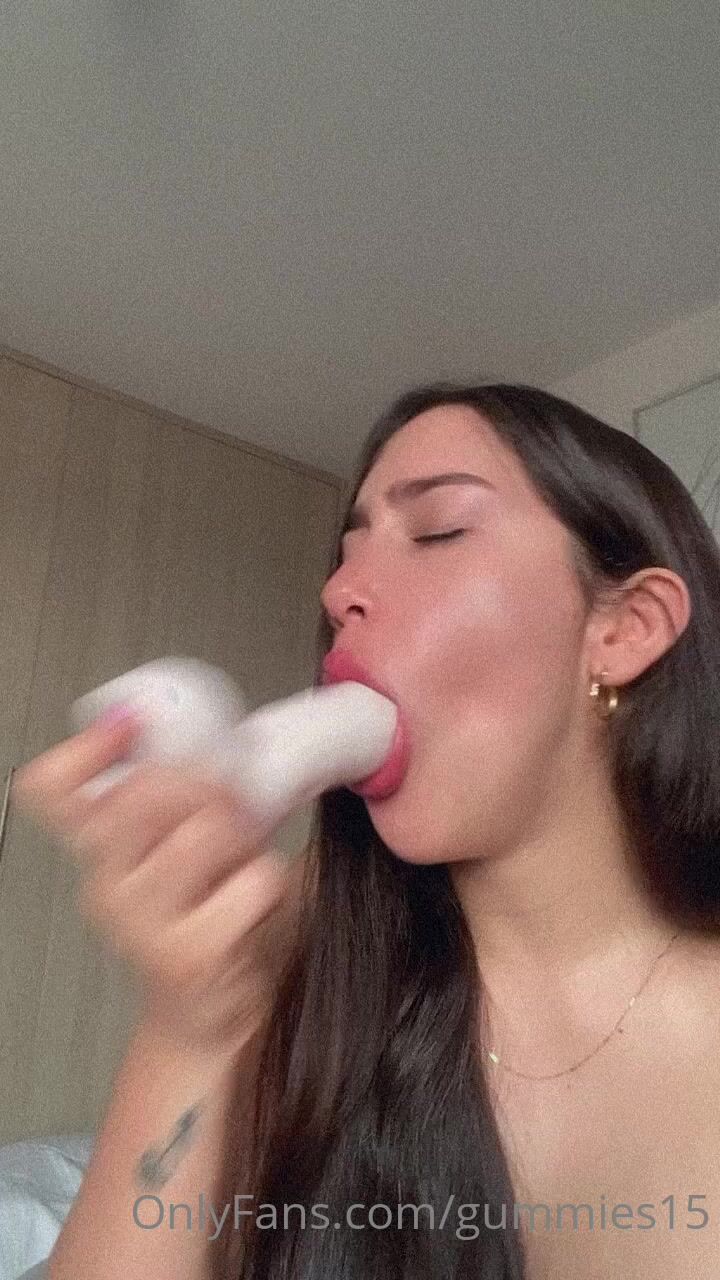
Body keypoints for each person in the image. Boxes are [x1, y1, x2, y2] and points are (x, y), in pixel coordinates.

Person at [13, 381, 720, 1280]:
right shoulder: (312, 978)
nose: (338, 590)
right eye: (347, 551)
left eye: (438, 532)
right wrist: (188, 1031)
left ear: (624, 629)